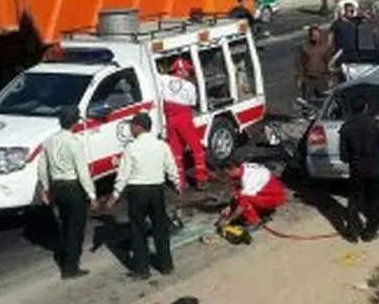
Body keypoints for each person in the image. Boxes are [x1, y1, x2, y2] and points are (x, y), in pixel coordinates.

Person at [104, 113, 180, 280]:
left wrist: (115, 195)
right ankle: (166, 265)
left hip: (137, 192)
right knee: (160, 227)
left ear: (139, 126)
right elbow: (171, 167)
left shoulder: (131, 148)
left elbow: (123, 174)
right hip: (156, 190)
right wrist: (176, 184)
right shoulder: (161, 145)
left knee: (138, 230)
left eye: (132, 125)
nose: (131, 128)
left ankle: (142, 269)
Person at [37, 105, 97, 280]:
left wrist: (46, 187)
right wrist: (91, 195)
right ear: (76, 122)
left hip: (57, 187)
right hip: (72, 188)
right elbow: (82, 172)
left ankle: (64, 259)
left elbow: (42, 168)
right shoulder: (74, 143)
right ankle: (71, 267)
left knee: (64, 225)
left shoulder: (48, 141)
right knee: (75, 229)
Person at [338, 96, 379, 241]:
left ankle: (353, 231)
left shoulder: (346, 126)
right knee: (374, 201)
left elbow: (343, 155)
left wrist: (353, 159)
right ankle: (369, 232)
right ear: (366, 108)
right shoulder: (375, 125)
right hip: (376, 169)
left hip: (357, 169)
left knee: (354, 200)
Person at [159, 57, 209, 190]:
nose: (188, 73)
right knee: (197, 148)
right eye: (187, 70)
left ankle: (180, 182)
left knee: (176, 151)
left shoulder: (163, 79)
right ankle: (201, 179)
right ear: (180, 70)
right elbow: (192, 103)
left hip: (170, 119)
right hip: (184, 118)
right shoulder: (189, 86)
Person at [218, 160, 286, 228]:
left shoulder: (249, 178)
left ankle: (254, 221)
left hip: (274, 197)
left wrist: (229, 219)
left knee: (244, 200)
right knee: (240, 195)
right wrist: (229, 207)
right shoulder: (244, 167)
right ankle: (261, 211)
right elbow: (239, 190)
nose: (227, 176)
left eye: (227, 173)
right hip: (271, 191)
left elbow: (242, 204)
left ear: (233, 168)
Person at [297, 26, 333, 101]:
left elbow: (329, 64)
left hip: (322, 79)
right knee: (306, 102)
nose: (316, 37)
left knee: (324, 101)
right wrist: (300, 78)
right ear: (310, 36)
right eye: (314, 35)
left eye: (318, 35)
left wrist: (330, 78)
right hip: (309, 80)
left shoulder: (325, 47)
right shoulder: (304, 48)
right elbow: (300, 63)